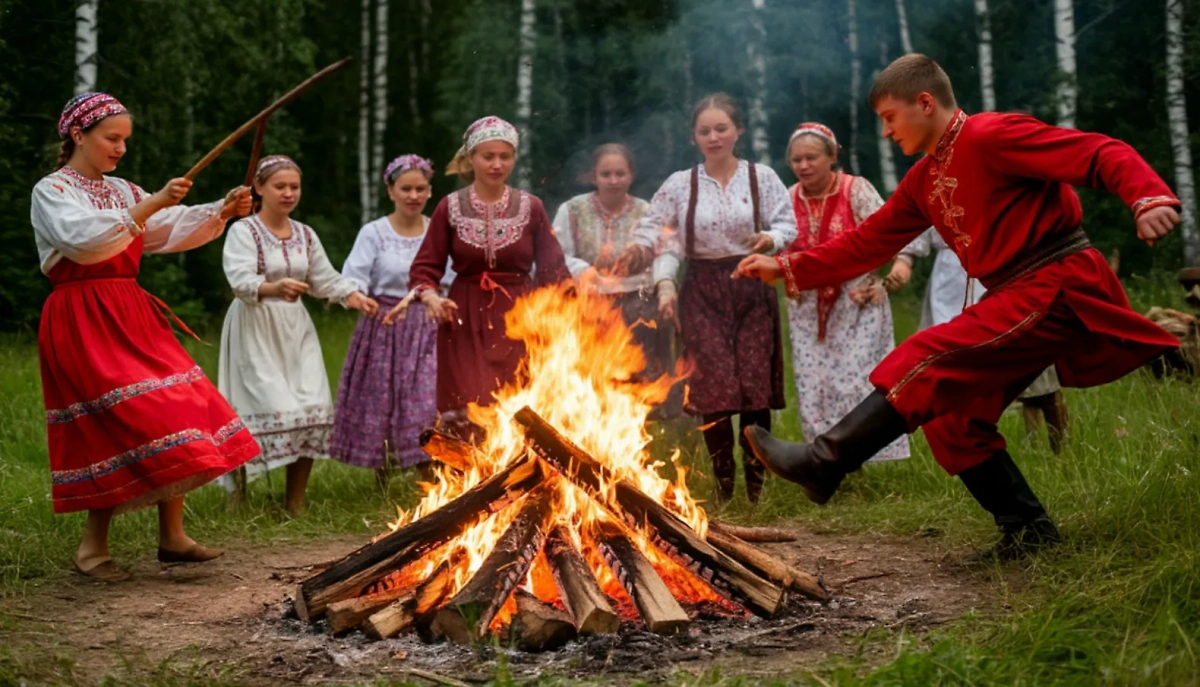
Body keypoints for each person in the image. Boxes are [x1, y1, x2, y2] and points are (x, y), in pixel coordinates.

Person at [735, 54, 1180, 558]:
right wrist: (787, 268)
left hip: (1056, 281)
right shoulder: (922, 180)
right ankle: (1028, 532)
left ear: (925, 102)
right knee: (953, 416)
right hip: (1014, 293)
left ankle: (824, 461)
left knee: (927, 353)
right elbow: (867, 242)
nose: (886, 132)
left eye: (890, 117)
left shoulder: (991, 135)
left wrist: (1148, 198)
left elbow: (1098, 151)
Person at [32, 92, 260, 581]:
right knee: (117, 421)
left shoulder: (122, 190)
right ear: (79, 135)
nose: (120, 148)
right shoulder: (52, 190)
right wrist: (152, 201)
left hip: (130, 310)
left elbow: (162, 230)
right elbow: (83, 241)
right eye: (112, 138)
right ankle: (91, 550)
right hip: (82, 315)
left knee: (181, 405)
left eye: (125, 140)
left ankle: (172, 536)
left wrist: (221, 210)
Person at [618, 94, 798, 505]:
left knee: (754, 385)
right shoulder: (681, 184)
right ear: (694, 137)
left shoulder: (762, 178)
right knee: (713, 388)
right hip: (702, 291)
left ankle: (756, 488)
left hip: (752, 283)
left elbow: (788, 224)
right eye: (705, 131)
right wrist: (645, 257)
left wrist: (771, 239)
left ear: (739, 131)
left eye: (721, 128)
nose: (714, 137)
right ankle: (723, 486)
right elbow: (656, 231)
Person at [217, 155, 378, 514]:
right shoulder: (244, 231)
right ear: (259, 188)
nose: (288, 193)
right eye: (280, 186)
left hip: (296, 330)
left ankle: (295, 503)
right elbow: (239, 279)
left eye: (294, 186)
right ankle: (237, 498)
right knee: (262, 405)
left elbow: (324, 278)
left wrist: (353, 296)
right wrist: (273, 288)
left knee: (312, 407)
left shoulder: (305, 234)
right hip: (255, 325)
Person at [392, 116, 570, 438]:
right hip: (465, 316)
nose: (497, 164)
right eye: (488, 156)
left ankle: (520, 466)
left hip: (520, 316)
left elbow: (553, 269)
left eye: (505, 156)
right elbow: (425, 267)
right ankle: (468, 467)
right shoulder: (450, 207)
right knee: (470, 400)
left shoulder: (532, 208)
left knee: (519, 399)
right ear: (470, 158)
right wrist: (430, 297)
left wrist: (562, 315)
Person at [781, 122, 908, 463]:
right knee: (813, 387)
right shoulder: (788, 198)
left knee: (854, 383)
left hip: (856, 302)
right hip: (807, 309)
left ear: (832, 156)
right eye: (796, 160)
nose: (803, 166)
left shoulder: (856, 190)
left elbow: (891, 229)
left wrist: (897, 267)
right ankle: (823, 464)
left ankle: (858, 458)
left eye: (811, 158)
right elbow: (779, 243)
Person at [887, 234, 1070, 453]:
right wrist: (904, 261)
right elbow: (919, 228)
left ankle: (1058, 445)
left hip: (1004, 269)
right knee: (949, 364)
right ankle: (963, 443)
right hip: (950, 284)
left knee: (1031, 368)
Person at [330, 155, 451, 484]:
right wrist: (358, 296)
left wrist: (444, 302)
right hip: (384, 325)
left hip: (426, 326)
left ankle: (429, 476)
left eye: (420, 189)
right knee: (382, 399)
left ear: (430, 191)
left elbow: (450, 275)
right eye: (406, 188)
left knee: (426, 400)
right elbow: (353, 276)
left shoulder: (438, 230)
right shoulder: (374, 233)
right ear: (391, 190)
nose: (414, 195)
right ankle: (382, 477)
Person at [551, 143, 681, 420]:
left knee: (642, 377)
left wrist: (665, 284)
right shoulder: (572, 210)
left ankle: (646, 430)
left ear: (631, 175)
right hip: (590, 302)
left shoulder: (647, 212)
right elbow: (558, 253)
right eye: (606, 174)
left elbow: (665, 252)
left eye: (620, 174)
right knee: (595, 375)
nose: (613, 181)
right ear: (593, 176)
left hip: (639, 302)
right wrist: (584, 272)